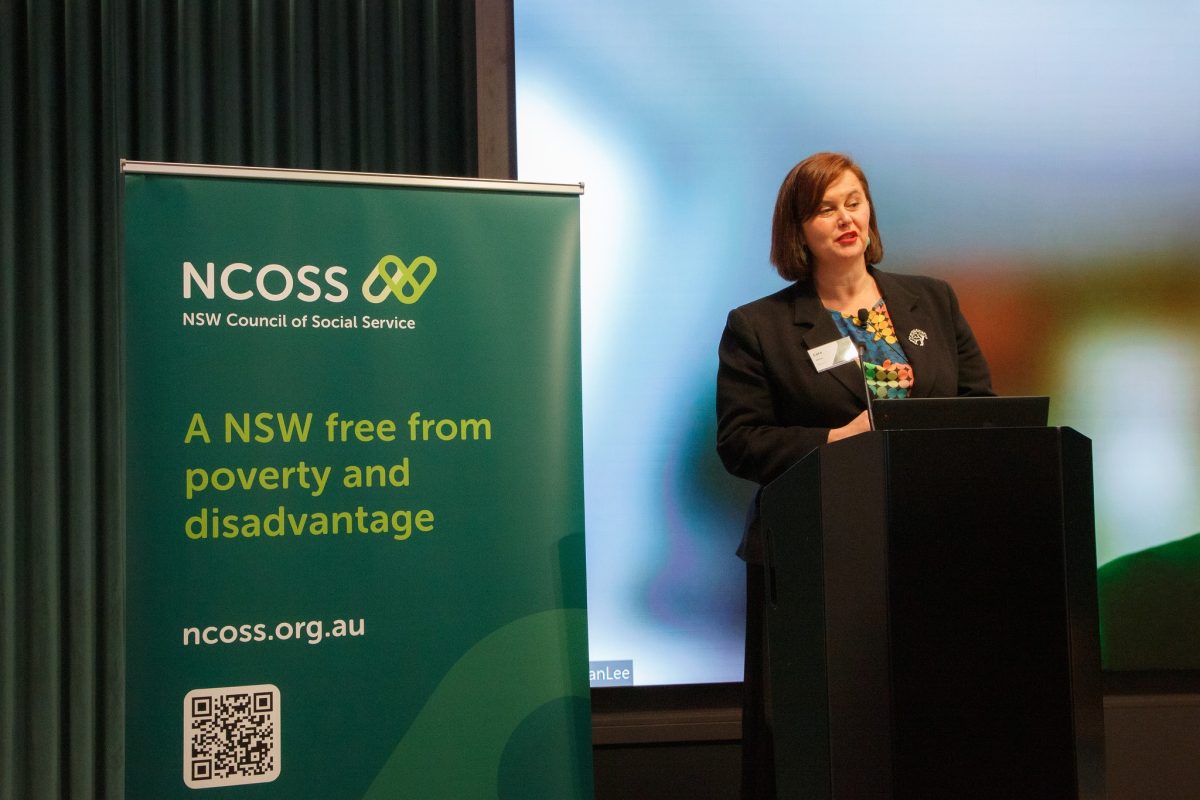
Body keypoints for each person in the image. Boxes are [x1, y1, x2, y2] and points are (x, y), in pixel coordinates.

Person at [716, 152, 993, 798]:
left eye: (854, 201)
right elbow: (739, 441)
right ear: (798, 231)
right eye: (825, 208)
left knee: (932, 728)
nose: (846, 218)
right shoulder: (760, 327)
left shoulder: (932, 301)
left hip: (928, 545)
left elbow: (982, 409)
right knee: (832, 743)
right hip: (820, 553)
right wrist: (836, 439)